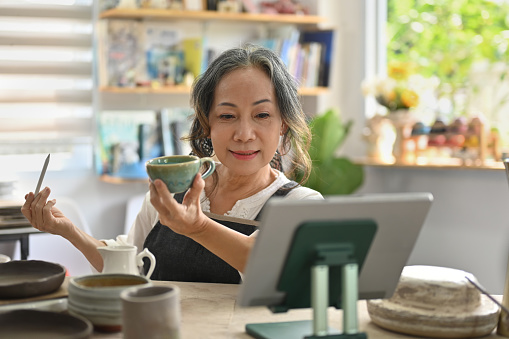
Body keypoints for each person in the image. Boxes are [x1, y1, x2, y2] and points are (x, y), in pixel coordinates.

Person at [21, 44, 323, 284]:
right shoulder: (173, 191)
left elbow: (267, 263)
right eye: (227, 116)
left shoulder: (300, 204)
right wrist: (68, 229)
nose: (244, 135)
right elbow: (127, 267)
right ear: (207, 125)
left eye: (262, 115)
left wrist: (198, 227)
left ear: (283, 124)